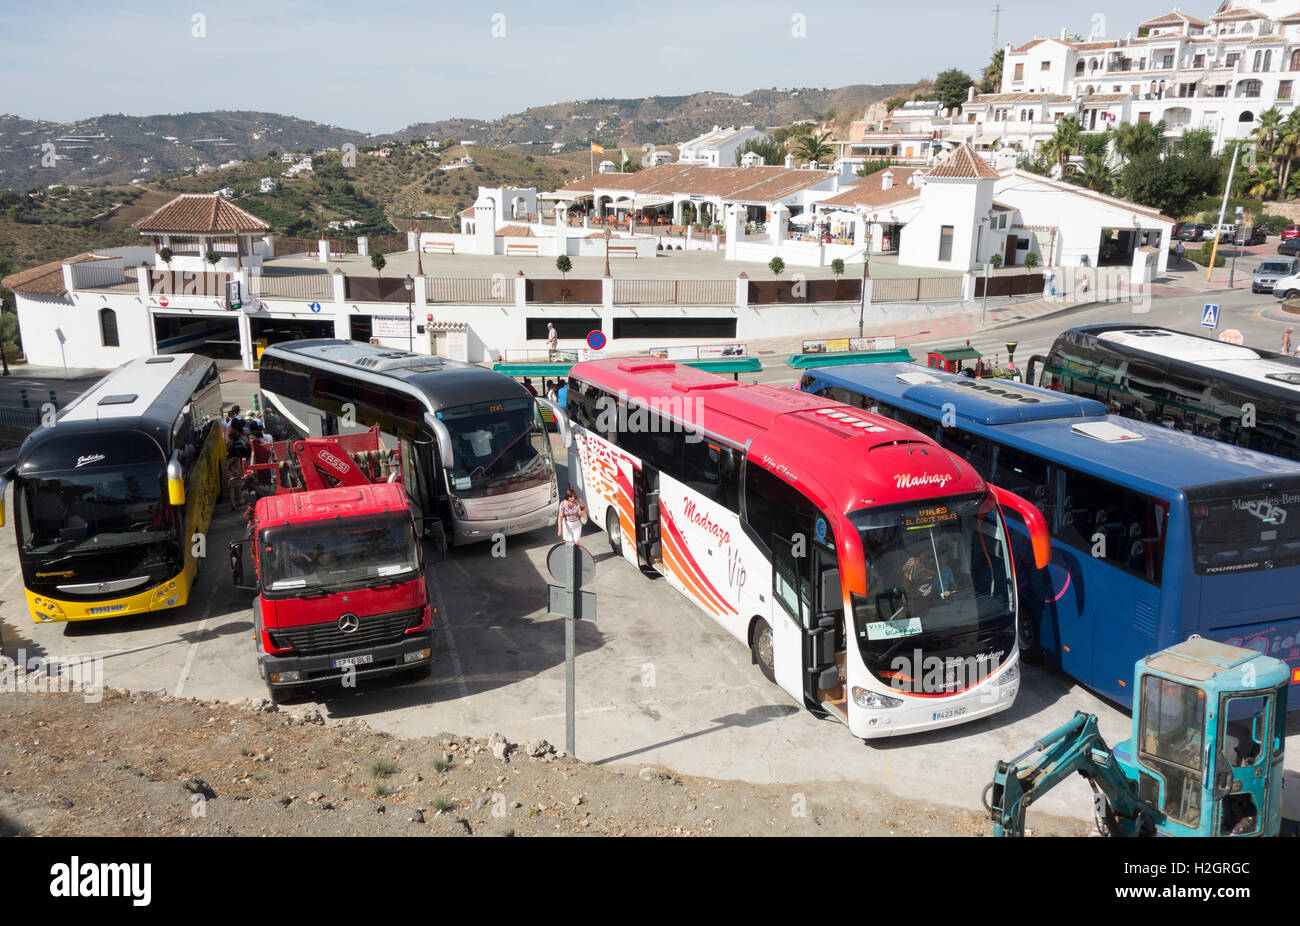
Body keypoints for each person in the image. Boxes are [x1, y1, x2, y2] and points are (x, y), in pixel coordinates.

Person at [225, 418, 251, 510]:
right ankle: (240, 500)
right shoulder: (242, 442)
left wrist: (227, 470)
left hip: (230, 469)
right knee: (238, 484)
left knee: (232, 488)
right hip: (236, 467)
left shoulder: (229, 445)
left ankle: (234, 504)